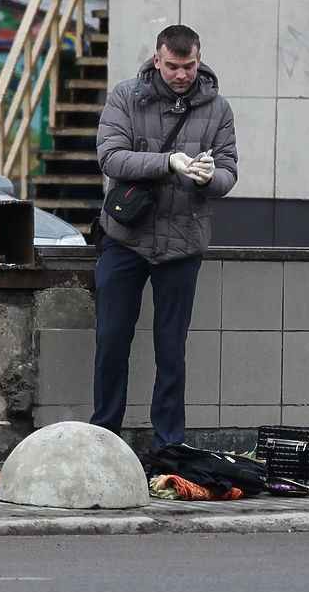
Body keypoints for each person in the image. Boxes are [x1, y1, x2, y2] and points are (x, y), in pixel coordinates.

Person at [90, 25, 238, 449]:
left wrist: (210, 177)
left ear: (198, 59)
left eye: (188, 66)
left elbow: (229, 170)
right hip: (125, 238)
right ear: (157, 59)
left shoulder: (218, 108)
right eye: (172, 66)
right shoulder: (125, 96)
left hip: (183, 242)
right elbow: (110, 157)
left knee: (171, 352)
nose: (180, 74)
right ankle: (104, 439)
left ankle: (169, 446)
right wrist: (168, 162)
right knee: (111, 340)